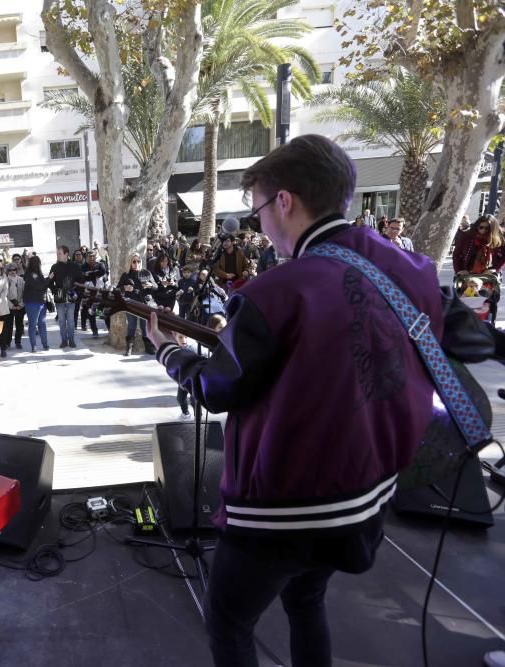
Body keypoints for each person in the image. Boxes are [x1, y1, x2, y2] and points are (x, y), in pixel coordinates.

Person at [144, 136, 495, 667]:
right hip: (367, 500)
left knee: (230, 622)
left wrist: (170, 353)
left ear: (284, 201)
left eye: (258, 209)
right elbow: (471, 342)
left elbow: (218, 388)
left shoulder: (277, 292)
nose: (259, 224)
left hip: (279, 514)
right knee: (306, 599)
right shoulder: (414, 269)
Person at [49, 245, 83, 349]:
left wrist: (77, 293)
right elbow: (50, 282)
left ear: (66, 254)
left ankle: (71, 340)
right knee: (61, 320)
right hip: (59, 298)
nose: (58, 255)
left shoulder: (75, 266)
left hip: (71, 297)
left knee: (71, 320)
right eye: (57, 254)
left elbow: (81, 281)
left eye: (59, 253)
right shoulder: (54, 267)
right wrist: (55, 290)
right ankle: (64, 341)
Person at [22, 256, 50, 352]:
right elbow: (41, 286)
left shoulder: (32, 274)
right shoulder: (32, 275)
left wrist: (47, 279)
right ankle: (38, 345)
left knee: (38, 324)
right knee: (36, 324)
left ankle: (41, 345)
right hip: (34, 302)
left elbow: (41, 285)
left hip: (37, 302)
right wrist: (49, 278)